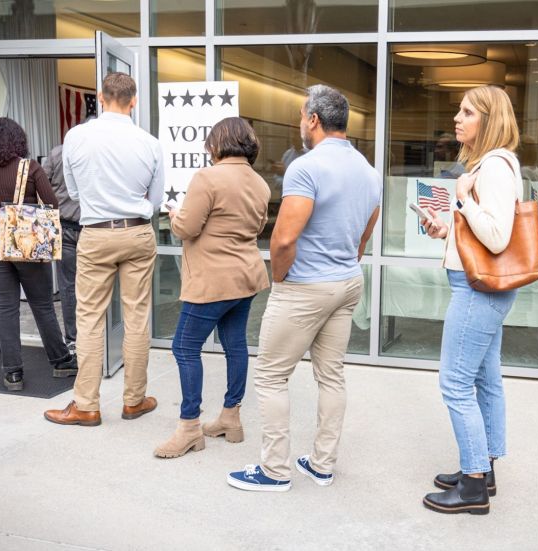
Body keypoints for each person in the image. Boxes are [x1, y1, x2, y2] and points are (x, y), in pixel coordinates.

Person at [226, 84, 381, 492]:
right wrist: (344, 262)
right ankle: (321, 464)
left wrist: (281, 282)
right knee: (331, 376)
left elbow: (282, 239)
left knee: (271, 376)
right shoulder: (369, 171)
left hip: (306, 286)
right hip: (347, 282)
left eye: (301, 116)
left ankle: (275, 471)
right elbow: (365, 235)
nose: (300, 122)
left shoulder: (306, 167)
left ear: (313, 120)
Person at [419, 85, 522, 515]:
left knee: (455, 383)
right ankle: (485, 468)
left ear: (489, 120)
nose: (457, 119)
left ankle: (474, 483)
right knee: (484, 379)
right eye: (458, 111)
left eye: (467, 112)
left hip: (478, 288)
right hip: (483, 286)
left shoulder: (494, 166)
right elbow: (485, 231)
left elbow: (497, 236)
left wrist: (462, 198)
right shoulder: (490, 165)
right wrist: (448, 228)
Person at [44, 72, 164, 427]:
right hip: (137, 232)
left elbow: (76, 194)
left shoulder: (76, 137)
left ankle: (86, 404)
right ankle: (135, 399)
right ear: (134, 101)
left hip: (95, 233)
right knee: (137, 318)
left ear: (100, 96)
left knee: (90, 319)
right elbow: (155, 201)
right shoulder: (149, 142)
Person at [153, 117, 271, 458]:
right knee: (236, 345)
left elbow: (187, 229)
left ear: (216, 145)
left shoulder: (207, 177)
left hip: (212, 280)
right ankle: (230, 418)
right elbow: (257, 225)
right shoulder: (260, 184)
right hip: (245, 277)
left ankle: (189, 427)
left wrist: (175, 215)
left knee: (184, 348)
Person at [0, 117, 78, 391]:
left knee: (6, 305)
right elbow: (51, 204)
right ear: (18, 142)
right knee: (41, 303)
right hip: (25, 236)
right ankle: (61, 361)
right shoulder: (29, 168)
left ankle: (12, 373)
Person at [42, 115, 93, 352]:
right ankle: (96, 336)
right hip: (94, 228)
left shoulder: (56, 153)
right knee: (96, 283)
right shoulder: (100, 152)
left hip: (64, 226)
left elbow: (42, 185)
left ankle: (73, 338)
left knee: (68, 285)